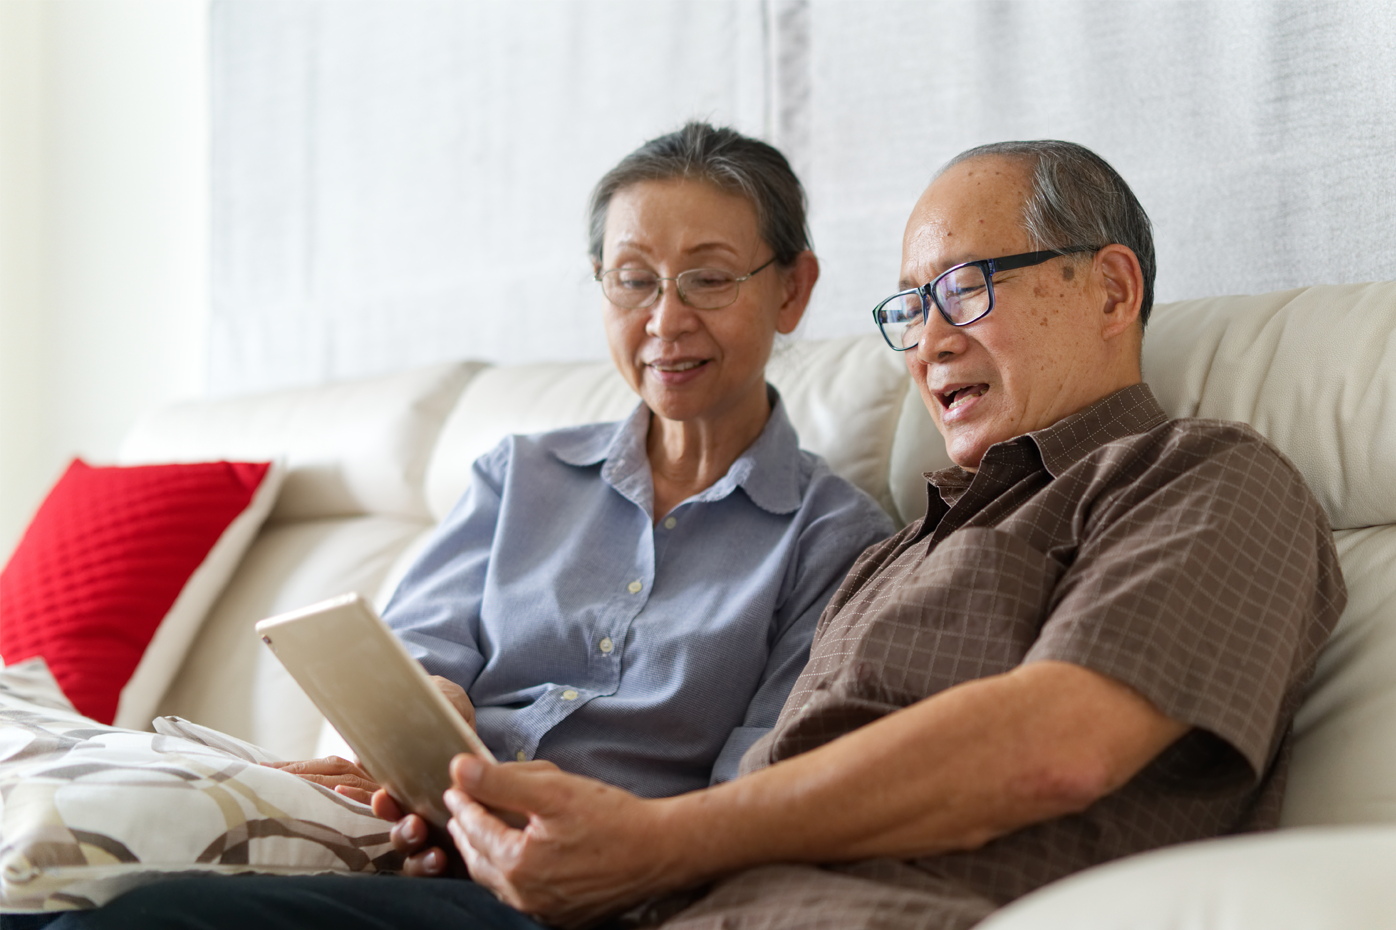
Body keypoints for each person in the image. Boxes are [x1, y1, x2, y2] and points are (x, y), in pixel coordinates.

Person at [45, 141, 1344, 930]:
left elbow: (1059, 745)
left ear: (1110, 285)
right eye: (911, 309)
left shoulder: (1205, 479)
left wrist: (651, 844)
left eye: (965, 289)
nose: (931, 340)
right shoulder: (906, 543)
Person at [268, 122, 893, 805]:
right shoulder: (518, 475)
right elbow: (413, 652)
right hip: (430, 827)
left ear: (792, 289)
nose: (664, 321)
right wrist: (424, 710)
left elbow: (757, 785)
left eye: (708, 279)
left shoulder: (835, 538)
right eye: (633, 280)